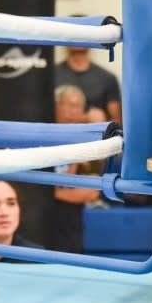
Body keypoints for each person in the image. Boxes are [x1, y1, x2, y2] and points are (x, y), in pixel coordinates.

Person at [51, 85, 104, 253]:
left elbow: (91, 192)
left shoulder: (88, 142)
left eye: (79, 107)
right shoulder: (43, 134)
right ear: (56, 106)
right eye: (69, 105)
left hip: (69, 215)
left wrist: (51, 193)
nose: (74, 111)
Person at [55, 44, 122, 123]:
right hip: (58, 133)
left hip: (96, 133)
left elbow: (116, 122)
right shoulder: (49, 75)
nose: (78, 36)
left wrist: (99, 121)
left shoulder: (108, 78)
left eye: (82, 31)